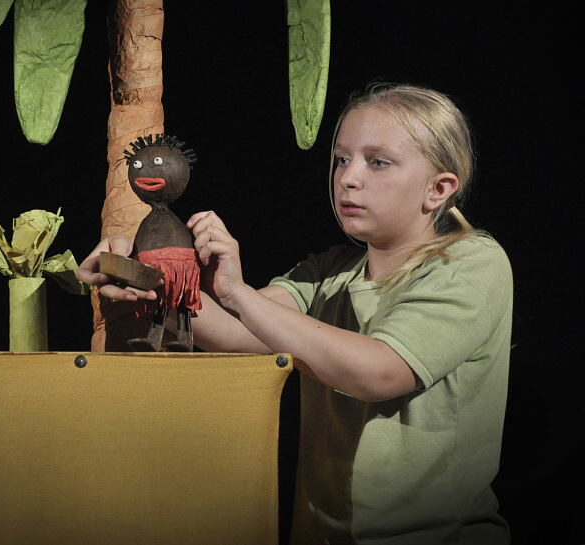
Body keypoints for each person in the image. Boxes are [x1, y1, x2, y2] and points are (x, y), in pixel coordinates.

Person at [76, 83, 513, 544]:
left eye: (378, 162)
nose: (348, 178)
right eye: (341, 159)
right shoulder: (328, 271)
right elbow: (239, 335)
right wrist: (146, 274)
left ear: (438, 189)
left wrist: (238, 294)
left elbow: (379, 372)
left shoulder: (470, 265)